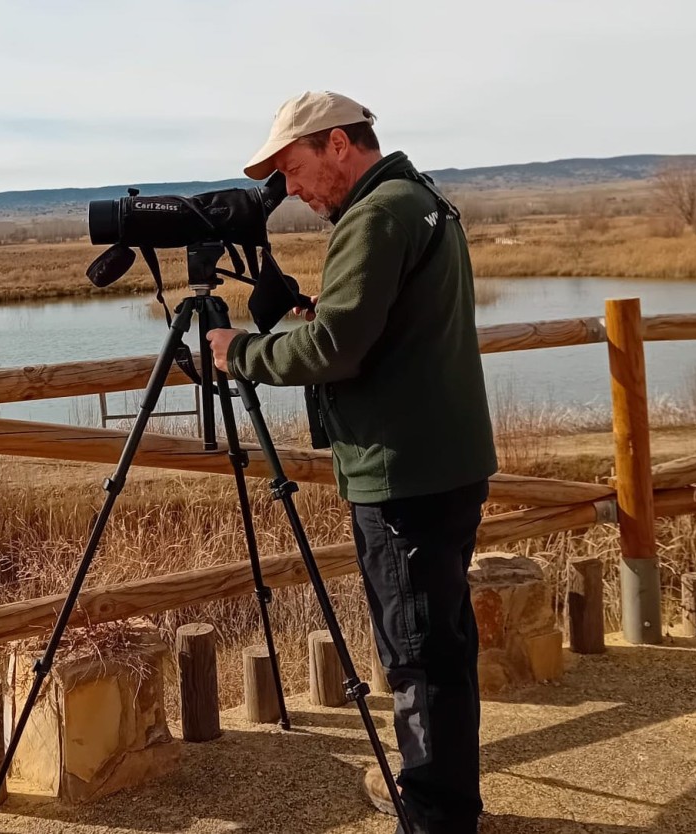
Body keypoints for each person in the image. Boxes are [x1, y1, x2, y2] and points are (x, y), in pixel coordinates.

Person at [206, 91, 497, 834]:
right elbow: (375, 331)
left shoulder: (374, 215)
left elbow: (337, 352)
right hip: (445, 461)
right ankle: (445, 804)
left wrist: (237, 350)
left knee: (415, 659)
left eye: (295, 169)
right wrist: (310, 313)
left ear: (338, 143)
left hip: (403, 474)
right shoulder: (421, 198)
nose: (293, 192)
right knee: (440, 646)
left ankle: (434, 818)